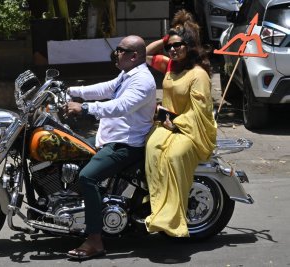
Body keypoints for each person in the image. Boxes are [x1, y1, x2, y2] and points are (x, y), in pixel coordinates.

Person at [64, 35, 156, 260]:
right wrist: (72, 90)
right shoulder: (127, 74)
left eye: (121, 50)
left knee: (87, 177)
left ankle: (95, 240)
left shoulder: (143, 80)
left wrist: (84, 108)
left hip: (125, 144)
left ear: (134, 56)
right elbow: (106, 89)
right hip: (110, 138)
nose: (116, 53)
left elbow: (121, 106)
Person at [144, 10, 217, 237]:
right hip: (166, 125)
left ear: (190, 46)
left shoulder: (199, 74)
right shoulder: (169, 67)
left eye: (178, 45)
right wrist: (167, 38)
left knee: (174, 157)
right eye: (170, 47)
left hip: (189, 130)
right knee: (152, 149)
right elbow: (142, 55)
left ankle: (173, 219)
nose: (173, 50)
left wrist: (174, 122)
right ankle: (157, 210)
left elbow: (200, 112)